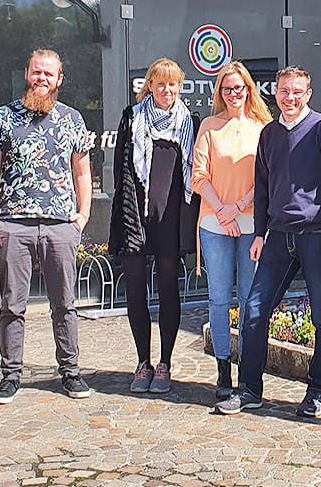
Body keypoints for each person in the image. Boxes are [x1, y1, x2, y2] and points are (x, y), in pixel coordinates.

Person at [216, 66, 321, 417]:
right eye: (284, 91)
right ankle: (249, 389)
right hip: (277, 237)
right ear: (275, 93)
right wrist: (259, 233)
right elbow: (262, 187)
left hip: (318, 236)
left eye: (297, 92)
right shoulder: (270, 134)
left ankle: (318, 391)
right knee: (255, 311)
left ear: (308, 94)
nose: (289, 98)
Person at [0, 48, 94, 405]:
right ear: (26, 73)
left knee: (65, 304)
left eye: (49, 74)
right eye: (36, 72)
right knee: (12, 305)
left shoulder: (72, 119)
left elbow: (83, 172)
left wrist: (83, 216)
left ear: (60, 79)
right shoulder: (3, 118)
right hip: (14, 225)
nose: (41, 78)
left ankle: (71, 373)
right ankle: (10, 376)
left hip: (60, 225)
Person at [109, 58, 200, 394]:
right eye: (160, 84)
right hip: (135, 218)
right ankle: (142, 362)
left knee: (168, 292)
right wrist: (126, 216)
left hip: (169, 222)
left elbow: (190, 175)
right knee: (134, 292)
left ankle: (164, 364)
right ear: (149, 86)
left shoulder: (189, 122)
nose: (166, 90)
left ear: (180, 86)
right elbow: (121, 170)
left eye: (173, 83)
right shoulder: (132, 119)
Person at [192, 61, 272, 400]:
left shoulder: (264, 128)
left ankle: (248, 372)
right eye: (227, 89)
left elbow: (269, 178)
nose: (234, 93)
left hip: (252, 223)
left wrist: (238, 208)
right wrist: (223, 211)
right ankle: (223, 371)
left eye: (239, 88)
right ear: (220, 93)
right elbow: (198, 175)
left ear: (249, 90)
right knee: (218, 299)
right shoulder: (209, 126)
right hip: (214, 223)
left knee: (250, 300)